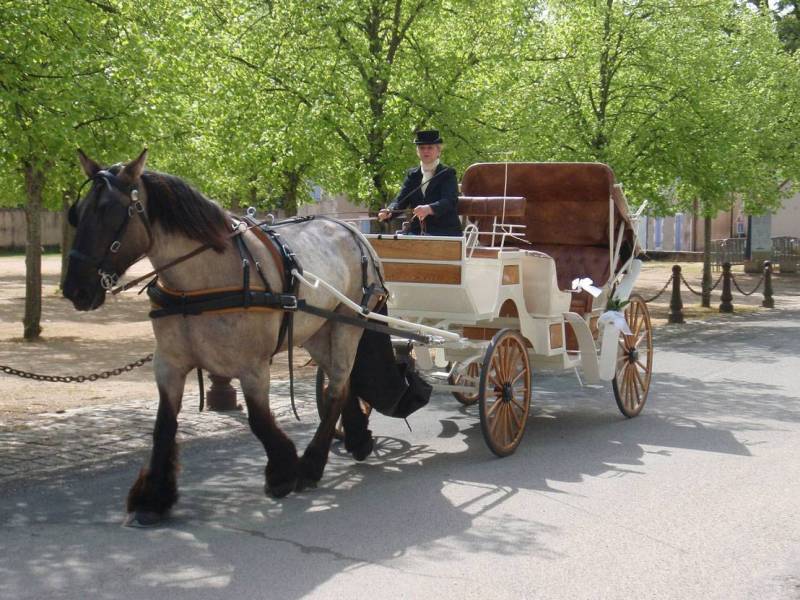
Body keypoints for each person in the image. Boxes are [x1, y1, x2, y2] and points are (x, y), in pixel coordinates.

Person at [377, 129, 461, 236]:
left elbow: (449, 201)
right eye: (422, 148)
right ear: (418, 152)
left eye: (430, 148)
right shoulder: (412, 175)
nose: (425, 151)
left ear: (438, 151)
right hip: (417, 231)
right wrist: (389, 211)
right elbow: (401, 200)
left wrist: (429, 209)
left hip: (444, 232)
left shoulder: (448, 174)